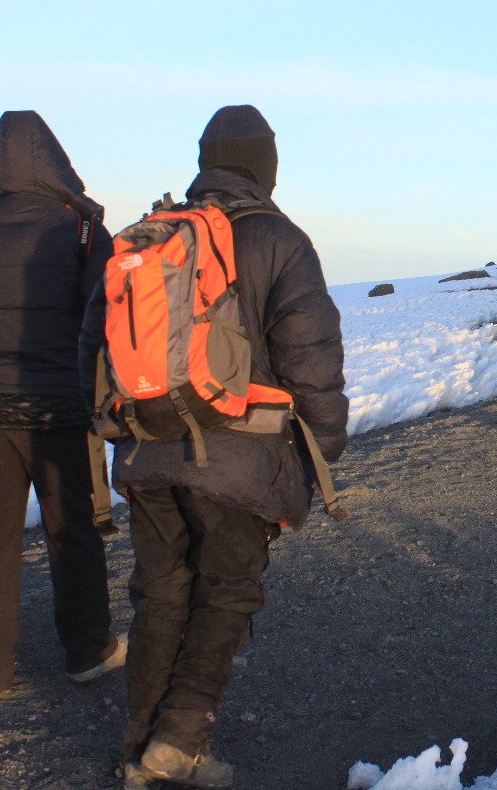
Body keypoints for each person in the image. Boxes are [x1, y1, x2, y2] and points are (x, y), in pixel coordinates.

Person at [110, 105, 349, 789]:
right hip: (239, 455)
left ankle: (138, 748)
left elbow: (98, 350)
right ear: (265, 168)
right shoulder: (282, 239)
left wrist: (116, 435)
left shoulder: (150, 235)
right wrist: (321, 446)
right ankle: (178, 741)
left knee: (159, 595)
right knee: (226, 593)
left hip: (148, 449)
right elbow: (310, 354)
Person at [0, 110, 124, 701]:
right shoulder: (75, 226)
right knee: (70, 528)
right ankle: (88, 650)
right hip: (55, 402)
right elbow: (105, 303)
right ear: (55, 158)